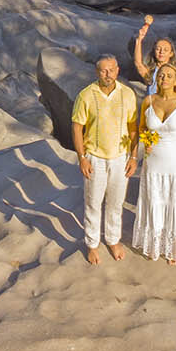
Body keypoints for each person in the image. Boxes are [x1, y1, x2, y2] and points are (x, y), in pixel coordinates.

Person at [71, 55, 139, 265]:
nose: (107, 74)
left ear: (117, 70)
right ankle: (92, 244)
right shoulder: (85, 95)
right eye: (103, 70)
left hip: (120, 157)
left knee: (116, 203)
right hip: (94, 157)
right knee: (93, 202)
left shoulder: (127, 94)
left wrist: (134, 156)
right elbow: (76, 127)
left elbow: (133, 127)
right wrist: (82, 157)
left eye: (111, 70)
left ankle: (112, 240)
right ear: (96, 72)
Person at [132, 62, 176, 265]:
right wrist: (146, 141)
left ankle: (174, 249)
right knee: (154, 199)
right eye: (161, 75)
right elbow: (142, 128)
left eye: (169, 76)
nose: (164, 79)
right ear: (156, 79)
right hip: (153, 160)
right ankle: (154, 246)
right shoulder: (148, 101)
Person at [133, 14, 176, 96]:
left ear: (171, 54)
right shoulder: (150, 73)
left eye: (165, 50)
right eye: (158, 49)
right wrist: (139, 40)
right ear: (154, 51)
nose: (161, 52)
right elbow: (138, 63)